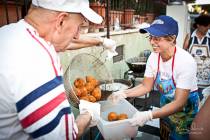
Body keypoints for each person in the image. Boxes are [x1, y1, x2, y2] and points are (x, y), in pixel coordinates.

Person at [0, 0, 117, 139]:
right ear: (61, 21)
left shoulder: (8, 33)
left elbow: (62, 41)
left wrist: (100, 41)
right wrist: (89, 115)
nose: (77, 35)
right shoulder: (39, 59)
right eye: (79, 26)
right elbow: (64, 136)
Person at [108, 15, 200, 140]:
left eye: (157, 38)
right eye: (150, 37)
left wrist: (149, 115)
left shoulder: (185, 62)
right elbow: (146, 86)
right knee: (165, 134)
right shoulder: (153, 57)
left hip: (185, 111)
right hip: (165, 106)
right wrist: (124, 93)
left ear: (172, 39)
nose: (152, 42)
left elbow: (179, 103)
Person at [183, 14, 210, 100]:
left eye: (208, 26)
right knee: (190, 106)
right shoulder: (190, 37)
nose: (207, 28)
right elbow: (183, 54)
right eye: (205, 26)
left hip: (206, 81)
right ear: (198, 25)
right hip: (191, 79)